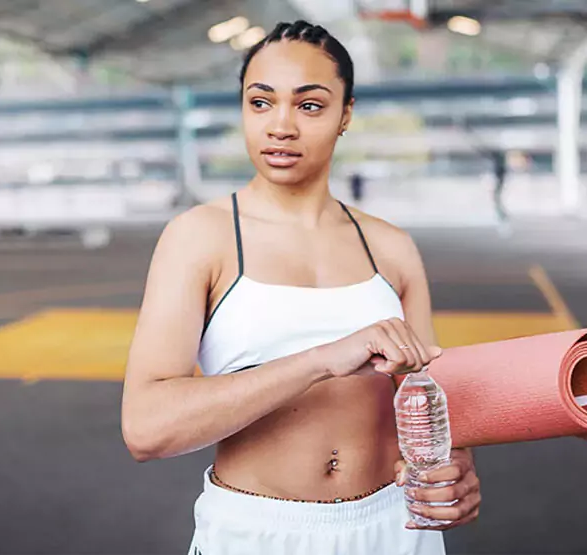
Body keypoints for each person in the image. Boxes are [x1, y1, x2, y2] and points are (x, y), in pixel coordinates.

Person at [121, 20, 481, 555]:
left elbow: (430, 398)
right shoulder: (199, 237)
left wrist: (458, 472)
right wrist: (322, 360)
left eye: (309, 106)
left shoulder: (392, 247)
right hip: (257, 531)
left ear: (345, 115)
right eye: (261, 103)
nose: (281, 126)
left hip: (395, 526)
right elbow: (147, 430)